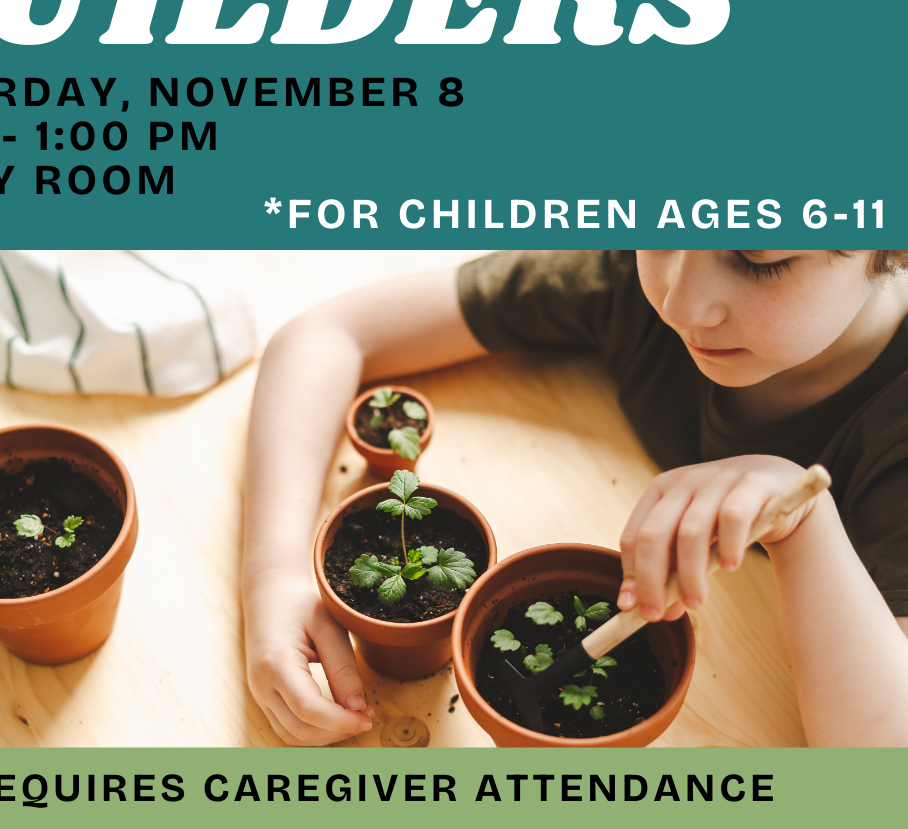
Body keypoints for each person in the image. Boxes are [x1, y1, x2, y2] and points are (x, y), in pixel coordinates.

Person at [243, 250, 908, 747]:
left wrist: (801, 520)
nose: (679, 303)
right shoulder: (627, 272)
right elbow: (324, 336)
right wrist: (274, 576)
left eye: (758, 259)